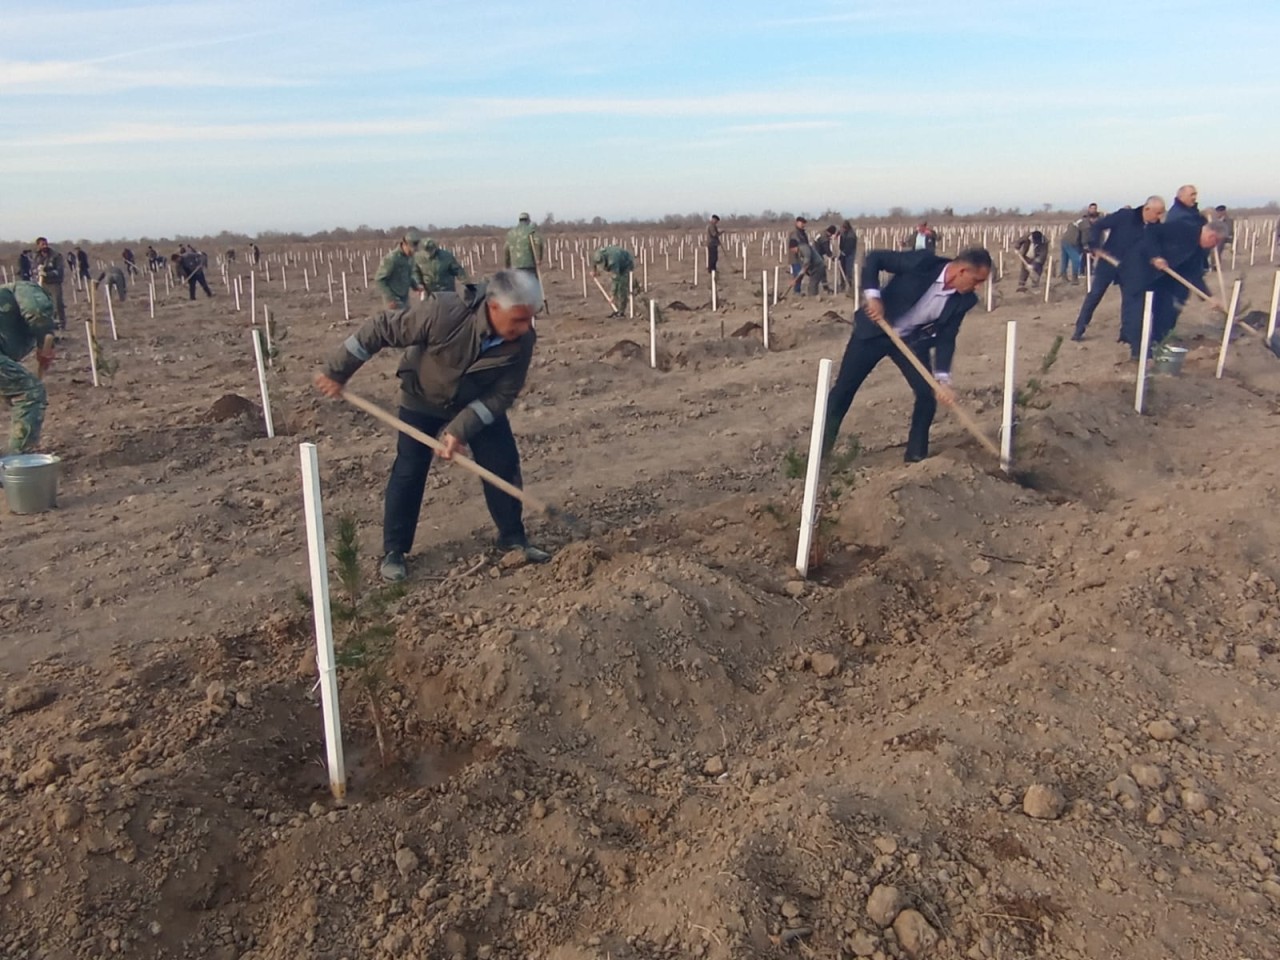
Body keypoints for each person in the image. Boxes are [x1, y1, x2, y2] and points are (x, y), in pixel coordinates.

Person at [313, 269, 549, 582]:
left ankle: (513, 538)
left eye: (528, 320)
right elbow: (381, 328)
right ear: (493, 307)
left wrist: (459, 430)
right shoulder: (444, 312)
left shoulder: (522, 340)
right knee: (410, 468)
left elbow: (501, 395)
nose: (524, 328)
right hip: (423, 396)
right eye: (518, 319)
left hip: (475, 401)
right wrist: (337, 370)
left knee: (502, 462)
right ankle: (395, 550)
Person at [824, 247, 992, 463]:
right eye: (977, 280)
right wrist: (874, 297)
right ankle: (820, 454)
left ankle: (916, 456)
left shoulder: (964, 300)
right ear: (961, 271)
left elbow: (946, 338)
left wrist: (943, 380)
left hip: (909, 343)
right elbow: (875, 258)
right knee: (844, 391)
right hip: (875, 331)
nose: (978, 287)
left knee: (927, 395)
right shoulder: (922, 263)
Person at [1074, 196, 1165, 342]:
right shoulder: (1125, 216)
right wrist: (1094, 246)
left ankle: (1126, 335)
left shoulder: (1154, 226)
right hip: (1108, 262)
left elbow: (1152, 246)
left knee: (1129, 300)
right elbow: (1098, 226)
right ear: (1147, 209)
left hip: (1129, 268)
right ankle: (1079, 328)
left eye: (1161, 213)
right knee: (1095, 294)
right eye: (1158, 213)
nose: (1160, 216)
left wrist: (1157, 258)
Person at [0, 281, 56, 454]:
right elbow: (37, 311)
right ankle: (19, 460)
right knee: (30, 392)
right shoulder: (25, 288)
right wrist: (43, 341)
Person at [374, 229, 423, 309]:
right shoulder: (392, 259)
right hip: (393, 299)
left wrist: (416, 287)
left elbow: (407, 275)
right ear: (404, 244)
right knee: (396, 320)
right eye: (411, 249)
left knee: (408, 319)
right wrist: (390, 298)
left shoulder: (409, 258)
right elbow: (379, 279)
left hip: (404, 297)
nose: (413, 252)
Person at [32, 238, 67, 331]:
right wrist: (37, 271)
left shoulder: (56, 256)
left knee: (57, 303)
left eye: (45, 244)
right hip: (42, 283)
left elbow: (59, 271)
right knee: (44, 304)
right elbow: (33, 268)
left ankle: (61, 323)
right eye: (42, 244)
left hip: (54, 283)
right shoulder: (36, 256)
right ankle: (49, 323)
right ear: (38, 245)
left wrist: (47, 274)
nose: (45, 246)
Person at [591, 245, 634, 317]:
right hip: (618, 258)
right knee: (617, 287)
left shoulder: (613, 261)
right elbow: (594, 263)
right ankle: (616, 309)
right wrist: (594, 271)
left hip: (626, 264)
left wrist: (612, 295)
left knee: (621, 286)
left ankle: (621, 311)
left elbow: (615, 279)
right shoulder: (597, 255)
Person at [1060, 211, 1090, 283]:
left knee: (1065, 259)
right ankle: (1075, 278)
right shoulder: (1086, 223)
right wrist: (1085, 245)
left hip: (1064, 240)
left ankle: (1063, 276)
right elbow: (1085, 236)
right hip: (1072, 242)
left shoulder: (1076, 221)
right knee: (1076, 259)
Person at [788, 217, 812, 293]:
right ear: (797, 223)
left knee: (801, 275)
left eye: (804, 223)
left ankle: (798, 290)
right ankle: (797, 291)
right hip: (795, 258)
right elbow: (792, 247)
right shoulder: (794, 234)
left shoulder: (803, 234)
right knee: (798, 274)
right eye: (801, 223)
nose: (803, 225)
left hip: (802, 258)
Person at [837, 220, 858, 285]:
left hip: (850, 254)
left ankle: (850, 284)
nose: (842, 229)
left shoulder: (851, 235)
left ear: (847, 227)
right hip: (843, 252)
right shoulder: (843, 234)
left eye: (843, 228)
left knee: (849, 269)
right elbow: (841, 244)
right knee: (842, 269)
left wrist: (844, 252)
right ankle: (842, 283)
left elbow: (850, 247)